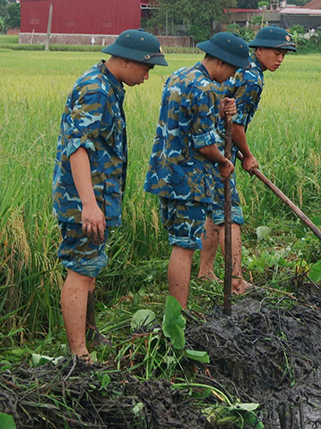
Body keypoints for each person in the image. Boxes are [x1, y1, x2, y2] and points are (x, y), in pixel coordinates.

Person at [54, 29, 167, 359]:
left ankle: (89, 335)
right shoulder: (96, 91)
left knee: (89, 269)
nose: (147, 76)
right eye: (146, 69)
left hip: (96, 196)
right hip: (83, 200)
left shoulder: (108, 87)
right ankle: (80, 355)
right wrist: (89, 204)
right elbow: (78, 148)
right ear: (128, 60)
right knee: (80, 270)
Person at [144, 31, 250, 309]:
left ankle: (178, 311)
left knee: (180, 242)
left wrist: (221, 108)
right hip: (188, 178)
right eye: (233, 70)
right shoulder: (206, 88)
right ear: (223, 62)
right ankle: (178, 315)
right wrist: (224, 162)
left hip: (165, 172)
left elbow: (186, 118)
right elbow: (204, 144)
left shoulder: (180, 76)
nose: (231, 77)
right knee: (184, 246)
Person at [198, 26, 297, 295]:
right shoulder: (252, 77)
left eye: (284, 55)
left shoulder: (242, 70)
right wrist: (248, 155)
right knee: (231, 214)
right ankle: (236, 280)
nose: (280, 59)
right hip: (218, 152)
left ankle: (205, 273)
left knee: (213, 212)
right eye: (276, 53)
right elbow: (236, 124)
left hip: (211, 146)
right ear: (259, 50)